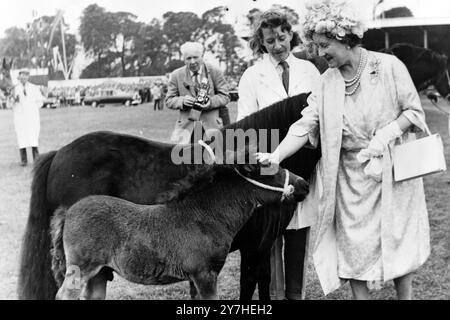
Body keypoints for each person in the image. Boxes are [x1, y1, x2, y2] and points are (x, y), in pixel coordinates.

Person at [256, 0, 430, 300]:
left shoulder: (388, 66)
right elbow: (305, 124)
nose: (320, 53)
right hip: (350, 179)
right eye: (316, 45)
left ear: (344, 36)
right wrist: (277, 155)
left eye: (324, 45)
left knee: (399, 244)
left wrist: (388, 134)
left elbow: (414, 112)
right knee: (352, 248)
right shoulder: (327, 82)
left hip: (392, 174)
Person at [237, 10, 322, 300]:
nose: (277, 46)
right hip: (268, 165)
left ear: (291, 35)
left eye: (282, 38)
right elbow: (246, 124)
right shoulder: (251, 76)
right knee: (270, 234)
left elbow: (318, 116)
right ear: (261, 42)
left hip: (304, 159)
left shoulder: (310, 70)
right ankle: (272, 296)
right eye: (269, 41)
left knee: (298, 229)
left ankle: (294, 294)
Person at [165, 41, 230, 144]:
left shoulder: (215, 71)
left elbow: (225, 96)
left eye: (196, 57)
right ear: (183, 59)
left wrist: (211, 102)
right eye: (188, 58)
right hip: (187, 130)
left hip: (212, 127)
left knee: (213, 158)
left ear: (202, 56)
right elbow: (169, 100)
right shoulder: (176, 75)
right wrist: (182, 101)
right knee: (187, 159)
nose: (192, 61)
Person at [11, 69, 44, 166]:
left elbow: (40, 101)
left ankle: (36, 159)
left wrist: (32, 108)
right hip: (20, 117)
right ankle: (24, 160)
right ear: (19, 76)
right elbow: (10, 104)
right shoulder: (14, 89)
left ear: (28, 76)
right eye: (22, 75)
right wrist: (14, 101)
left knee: (33, 136)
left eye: (26, 75)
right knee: (22, 137)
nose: (24, 77)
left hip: (32, 116)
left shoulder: (34, 88)